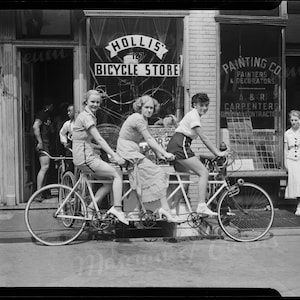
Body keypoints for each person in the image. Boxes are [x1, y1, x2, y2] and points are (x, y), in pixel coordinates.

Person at [116, 95, 180, 223]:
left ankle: (155, 210)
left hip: (132, 151)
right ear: (140, 107)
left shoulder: (143, 120)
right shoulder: (138, 119)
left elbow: (147, 139)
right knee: (157, 173)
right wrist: (165, 153)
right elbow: (149, 139)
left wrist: (158, 153)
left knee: (149, 177)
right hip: (128, 151)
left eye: (151, 108)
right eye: (146, 107)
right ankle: (161, 210)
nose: (149, 110)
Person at [167, 92, 228, 216]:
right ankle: (201, 205)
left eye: (206, 105)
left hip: (177, 145)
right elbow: (204, 138)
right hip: (180, 145)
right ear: (195, 105)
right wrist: (217, 152)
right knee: (204, 172)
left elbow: (181, 128)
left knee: (184, 180)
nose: (204, 108)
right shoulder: (194, 116)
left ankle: (171, 210)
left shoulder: (192, 115)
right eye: (201, 105)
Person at [72, 90, 128, 225]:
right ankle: (117, 208)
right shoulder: (86, 117)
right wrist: (114, 155)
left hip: (85, 155)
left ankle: (91, 208)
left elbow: (85, 141)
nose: (95, 104)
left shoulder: (89, 116)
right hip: (86, 158)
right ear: (86, 101)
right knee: (117, 174)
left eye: (97, 102)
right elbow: (99, 138)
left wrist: (100, 149)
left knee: (108, 182)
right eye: (92, 102)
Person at [32, 102, 54, 194]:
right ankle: (38, 193)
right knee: (44, 167)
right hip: (43, 144)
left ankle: (42, 191)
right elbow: (35, 126)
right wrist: (40, 141)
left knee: (46, 167)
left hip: (46, 143)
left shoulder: (47, 115)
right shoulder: (43, 114)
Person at [284, 110, 300, 216]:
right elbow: (285, 149)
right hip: (291, 160)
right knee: (294, 183)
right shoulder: (287, 133)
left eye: (296, 120)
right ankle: (296, 204)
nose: (294, 122)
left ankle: (299, 206)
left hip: (299, 159)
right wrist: (285, 162)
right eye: (292, 120)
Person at [59, 104, 75, 171]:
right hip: (71, 147)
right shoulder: (67, 124)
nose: (68, 113)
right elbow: (62, 133)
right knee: (70, 165)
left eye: (70, 111)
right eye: (67, 111)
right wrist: (65, 142)